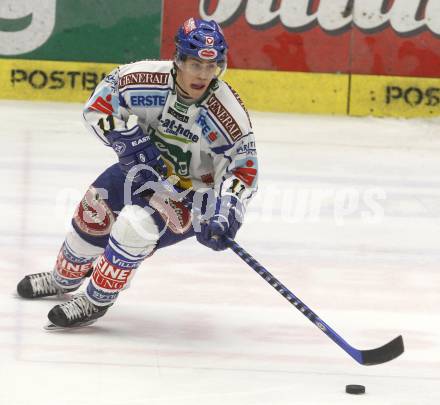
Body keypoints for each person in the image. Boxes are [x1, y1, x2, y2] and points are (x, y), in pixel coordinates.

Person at [16, 17, 258, 329]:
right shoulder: (143, 78)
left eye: (211, 67)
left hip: (187, 195)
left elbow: (244, 168)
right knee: (93, 209)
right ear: (179, 60)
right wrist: (125, 140)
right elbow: (98, 107)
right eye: (195, 64)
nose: (203, 74)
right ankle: (64, 278)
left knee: (133, 227)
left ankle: (95, 300)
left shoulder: (228, 113)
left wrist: (226, 210)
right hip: (138, 172)